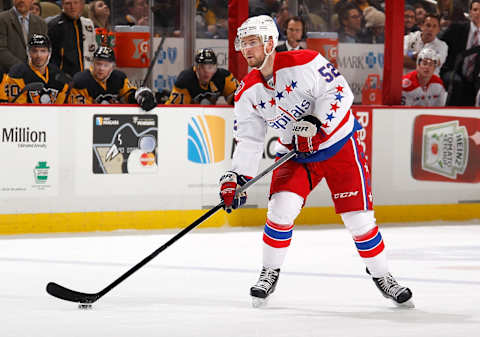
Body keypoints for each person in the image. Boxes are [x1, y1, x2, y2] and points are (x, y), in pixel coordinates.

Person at [219, 15, 413, 308]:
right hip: (296, 155)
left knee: (359, 221)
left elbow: (340, 92)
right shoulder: (247, 91)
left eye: (252, 42)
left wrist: (316, 122)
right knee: (280, 210)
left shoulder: (305, 61)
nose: (246, 50)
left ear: (270, 42)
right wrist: (237, 177)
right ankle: (269, 271)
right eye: (242, 44)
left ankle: (383, 276)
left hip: (338, 146)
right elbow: (249, 138)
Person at [69, 46, 157, 111]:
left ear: (112, 67)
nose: (101, 68)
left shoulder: (119, 78)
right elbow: (82, 113)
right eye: (98, 64)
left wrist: (139, 96)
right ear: (92, 63)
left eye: (106, 65)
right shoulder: (81, 81)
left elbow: (129, 94)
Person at [0, 34, 69, 103]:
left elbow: (62, 108)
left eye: (43, 51)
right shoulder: (17, 73)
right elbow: (17, 108)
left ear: (49, 53)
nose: (39, 55)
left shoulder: (58, 75)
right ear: (28, 52)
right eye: (34, 51)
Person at [440, 0, 480, 106]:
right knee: (456, 83)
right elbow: (439, 41)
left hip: (475, 77)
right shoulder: (457, 28)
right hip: (453, 71)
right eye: (475, 10)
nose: (478, 13)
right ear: (470, 12)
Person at [165, 48, 239, 105]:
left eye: (210, 67)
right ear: (196, 68)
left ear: (216, 68)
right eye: (202, 67)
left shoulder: (225, 77)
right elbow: (176, 110)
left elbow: (239, 99)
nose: (206, 71)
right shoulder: (185, 80)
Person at [48, 0, 96, 79]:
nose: (72, 7)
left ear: (82, 4)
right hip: (63, 80)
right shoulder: (54, 26)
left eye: (75, 2)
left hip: (87, 77)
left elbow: (93, 51)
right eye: (68, 3)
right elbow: (49, 58)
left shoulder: (88, 24)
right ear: (62, 5)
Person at [0, 0, 48, 77]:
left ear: (32, 1)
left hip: (35, 75)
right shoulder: (2, 19)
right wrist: (24, 69)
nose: (22, 0)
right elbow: (1, 50)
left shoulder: (41, 23)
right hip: (8, 76)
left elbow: (44, 50)